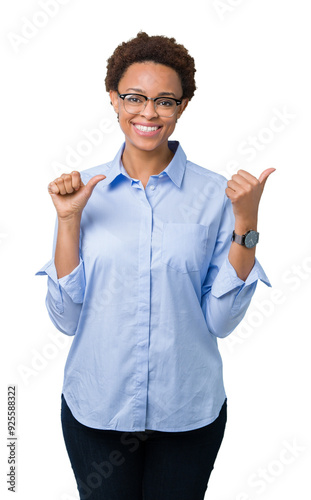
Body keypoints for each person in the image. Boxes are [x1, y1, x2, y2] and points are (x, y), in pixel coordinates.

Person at [36, 32, 274, 500]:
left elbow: (221, 322)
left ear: (182, 107)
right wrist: (68, 221)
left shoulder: (217, 195)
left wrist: (246, 220)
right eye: (135, 98)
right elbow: (66, 319)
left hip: (187, 411)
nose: (148, 113)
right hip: (97, 408)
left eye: (165, 101)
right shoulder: (80, 190)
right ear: (113, 99)